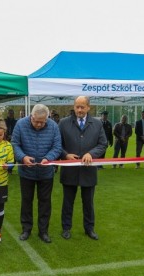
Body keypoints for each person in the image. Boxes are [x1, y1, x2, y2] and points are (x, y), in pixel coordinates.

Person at [58, 96, 107, 240]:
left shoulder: (97, 124)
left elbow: (103, 144)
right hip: (69, 170)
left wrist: (91, 154)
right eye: (77, 106)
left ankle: (89, 228)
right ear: (74, 107)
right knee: (68, 202)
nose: (79, 110)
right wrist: (65, 155)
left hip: (88, 169)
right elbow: (57, 144)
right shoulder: (63, 123)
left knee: (88, 203)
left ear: (88, 107)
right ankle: (66, 228)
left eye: (82, 107)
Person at [12, 104, 62, 243]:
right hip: (26, 172)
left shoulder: (53, 126)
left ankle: (43, 231)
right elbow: (15, 144)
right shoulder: (20, 124)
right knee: (26, 201)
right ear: (31, 116)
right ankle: (26, 229)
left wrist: (49, 158)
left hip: (46, 172)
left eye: (42, 121)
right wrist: (22, 157)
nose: (39, 124)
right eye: (36, 121)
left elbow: (57, 146)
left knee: (45, 202)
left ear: (47, 118)